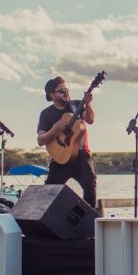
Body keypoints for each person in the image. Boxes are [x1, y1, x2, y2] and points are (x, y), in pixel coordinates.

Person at [36, 76, 98, 208]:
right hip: (60, 157)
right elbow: (40, 140)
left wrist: (88, 104)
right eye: (62, 91)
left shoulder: (76, 105)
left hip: (81, 155)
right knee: (49, 192)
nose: (66, 93)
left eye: (67, 90)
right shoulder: (46, 114)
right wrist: (54, 130)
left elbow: (90, 120)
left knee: (90, 185)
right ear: (52, 95)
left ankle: (88, 217)